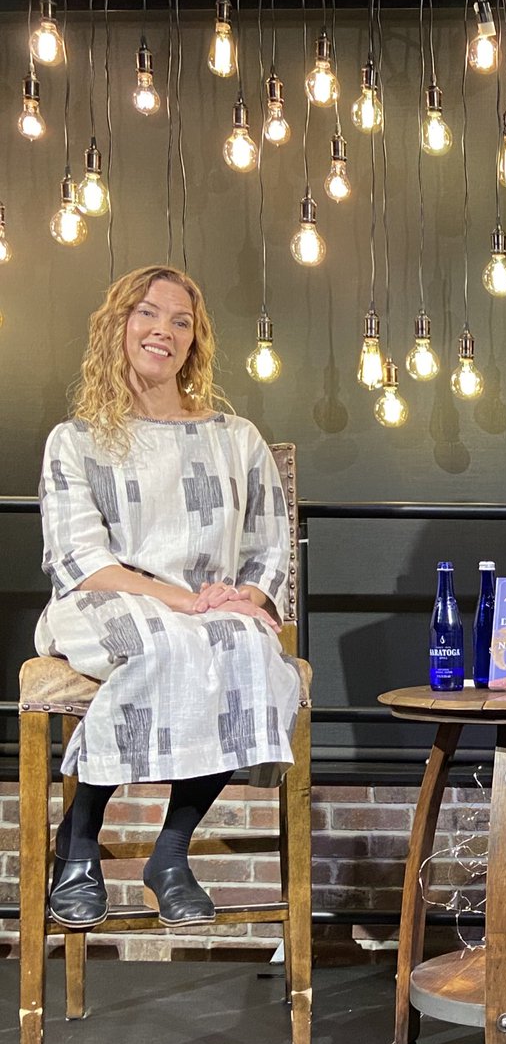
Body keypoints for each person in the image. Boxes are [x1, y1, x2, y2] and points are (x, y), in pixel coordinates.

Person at [36, 265, 300, 930]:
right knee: (158, 642)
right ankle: (79, 840)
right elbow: (81, 560)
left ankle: (171, 854)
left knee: (249, 647)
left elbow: (271, 542)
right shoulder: (77, 441)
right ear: (117, 326)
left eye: (182, 322)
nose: (165, 331)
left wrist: (242, 597)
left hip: (203, 609)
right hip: (104, 601)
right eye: (149, 314)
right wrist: (176, 601)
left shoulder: (234, 439)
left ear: (195, 342)